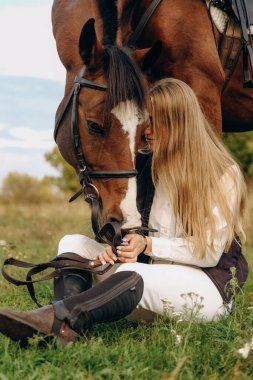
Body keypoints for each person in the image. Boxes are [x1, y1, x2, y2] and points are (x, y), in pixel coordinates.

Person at [0, 78, 248, 345]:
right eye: (145, 121)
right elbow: (135, 232)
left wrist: (148, 244)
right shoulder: (145, 165)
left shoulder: (222, 173)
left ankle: (54, 320)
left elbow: (209, 253)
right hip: (140, 286)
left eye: (155, 121)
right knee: (72, 243)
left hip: (203, 292)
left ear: (179, 123)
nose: (146, 130)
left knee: (134, 274)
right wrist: (118, 248)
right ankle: (67, 332)